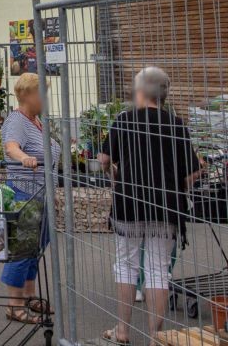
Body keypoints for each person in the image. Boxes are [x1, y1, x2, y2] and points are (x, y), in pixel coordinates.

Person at [98, 67, 201, 345]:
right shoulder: (176, 125)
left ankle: (122, 330)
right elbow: (192, 171)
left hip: (129, 204)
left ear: (141, 91)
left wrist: (115, 175)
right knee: (159, 268)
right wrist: (177, 188)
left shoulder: (124, 121)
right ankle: (156, 335)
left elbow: (104, 160)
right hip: (166, 207)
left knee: (126, 264)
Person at [0, 73, 60, 324]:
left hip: (40, 193)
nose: (46, 98)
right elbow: (11, 146)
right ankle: (14, 305)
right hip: (25, 192)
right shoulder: (17, 120)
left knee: (35, 248)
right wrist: (22, 157)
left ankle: (28, 295)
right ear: (28, 94)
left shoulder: (36, 121)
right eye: (42, 93)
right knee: (23, 248)